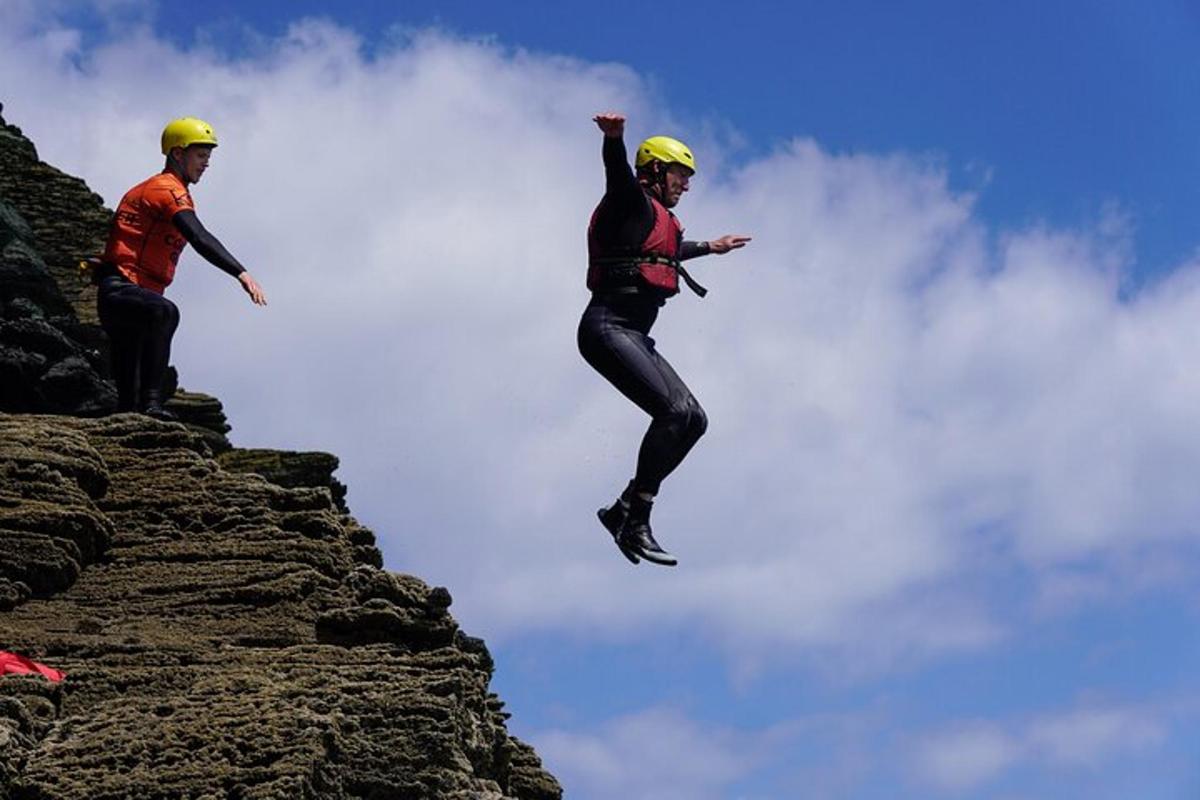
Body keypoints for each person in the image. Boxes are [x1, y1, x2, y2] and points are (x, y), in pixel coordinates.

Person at [580, 112, 751, 566]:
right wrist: (614, 140)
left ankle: (623, 509)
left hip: (632, 334)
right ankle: (636, 518)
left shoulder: (654, 222)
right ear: (654, 170)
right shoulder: (628, 202)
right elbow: (616, 176)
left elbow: (668, 251)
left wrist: (711, 247)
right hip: (606, 329)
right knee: (674, 411)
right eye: (681, 174)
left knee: (694, 419)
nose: (687, 185)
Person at [97, 116, 266, 419]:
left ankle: (133, 421)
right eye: (201, 155)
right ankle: (152, 404)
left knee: (126, 405)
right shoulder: (165, 189)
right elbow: (198, 236)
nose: (206, 164)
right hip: (121, 290)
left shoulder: (174, 190)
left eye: (208, 157)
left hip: (133, 297)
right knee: (165, 312)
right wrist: (240, 272)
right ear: (178, 153)